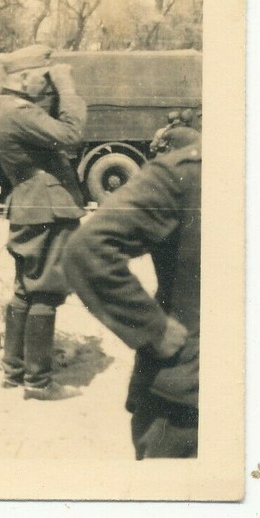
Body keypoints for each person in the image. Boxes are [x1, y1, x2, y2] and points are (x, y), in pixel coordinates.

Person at [63, 141, 200, 459]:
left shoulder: (187, 170)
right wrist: (153, 329)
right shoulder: (187, 173)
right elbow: (87, 250)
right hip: (190, 399)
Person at [0, 45, 86, 400]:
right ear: (26, 76)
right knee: (46, 290)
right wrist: (67, 88)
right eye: (42, 79)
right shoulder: (20, 112)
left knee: (25, 290)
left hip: (29, 205)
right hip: (47, 207)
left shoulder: (4, 106)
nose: (45, 86)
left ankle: (14, 373)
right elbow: (71, 135)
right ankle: (39, 383)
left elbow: (44, 123)